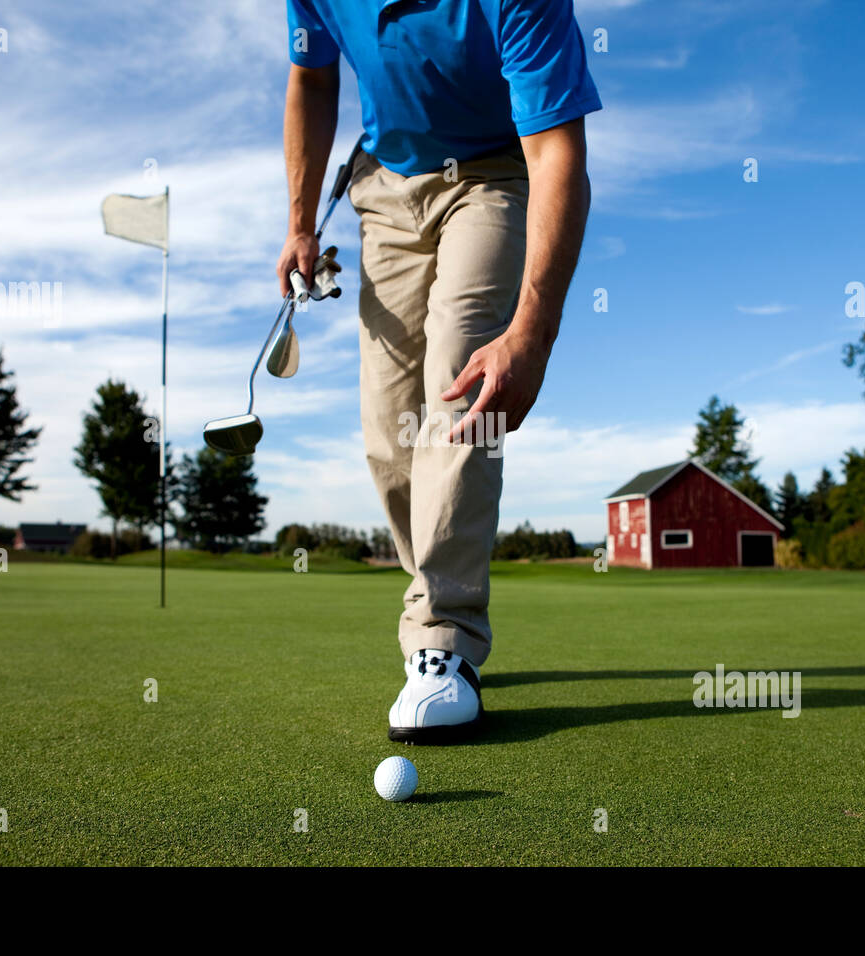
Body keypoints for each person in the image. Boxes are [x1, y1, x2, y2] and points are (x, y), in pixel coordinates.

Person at [278, 1, 600, 743]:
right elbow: (311, 79)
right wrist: (299, 223)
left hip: (492, 177)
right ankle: (431, 599)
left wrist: (532, 333)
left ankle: (442, 642)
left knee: (460, 385)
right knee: (388, 437)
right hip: (383, 191)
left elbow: (556, 153)